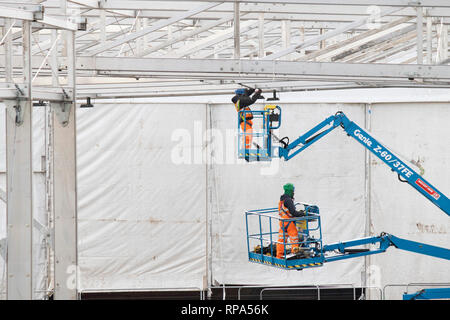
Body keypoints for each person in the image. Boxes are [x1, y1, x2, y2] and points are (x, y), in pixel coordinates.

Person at [276, 183, 305, 259]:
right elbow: (293, 212)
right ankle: (295, 253)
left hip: (282, 222)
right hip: (288, 222)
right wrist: (303, 214)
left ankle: (279, 255)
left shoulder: (282, 199)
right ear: (290, 191)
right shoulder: (288, 200)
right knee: (294, 236)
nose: (293, 193)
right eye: (293, 191)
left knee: (282, 239)